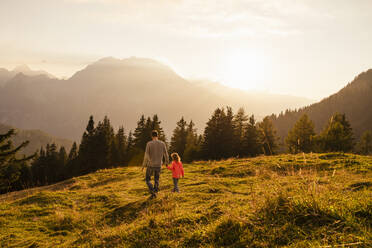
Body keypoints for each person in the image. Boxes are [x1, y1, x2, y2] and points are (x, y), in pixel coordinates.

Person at [142, 130, 169, 198]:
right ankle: (155, 192)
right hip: (158, 165)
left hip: (150, 165)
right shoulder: (162, 143)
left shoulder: (149, 143)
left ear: (152, 136)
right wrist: (166, 162)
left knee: (147, 179)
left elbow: (146, 155)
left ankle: (152, 190)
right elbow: (166, 154)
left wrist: (143, 165)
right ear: (158, 136)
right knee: (156, 179)